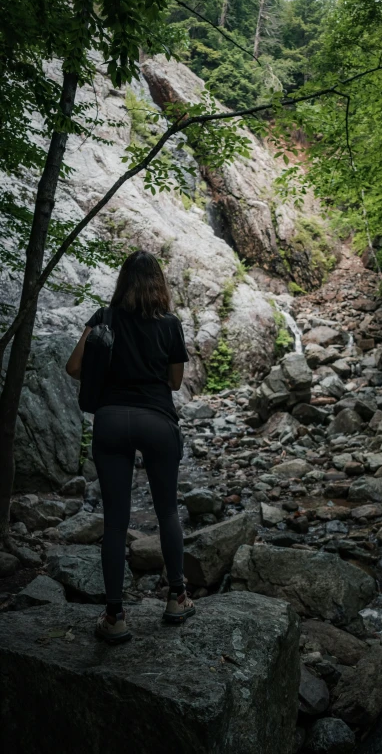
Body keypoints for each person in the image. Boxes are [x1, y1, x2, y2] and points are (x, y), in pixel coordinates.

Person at [66, 250, 194, 643]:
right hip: (156, 419)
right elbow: (174, 383)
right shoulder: (170, 325)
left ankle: (115, 615)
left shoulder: (104, 318)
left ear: (123, 282)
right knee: (167, 510)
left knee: (116, 521)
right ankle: (176, 597)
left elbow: (73, 367)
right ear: (160, 284)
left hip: (110, 421)